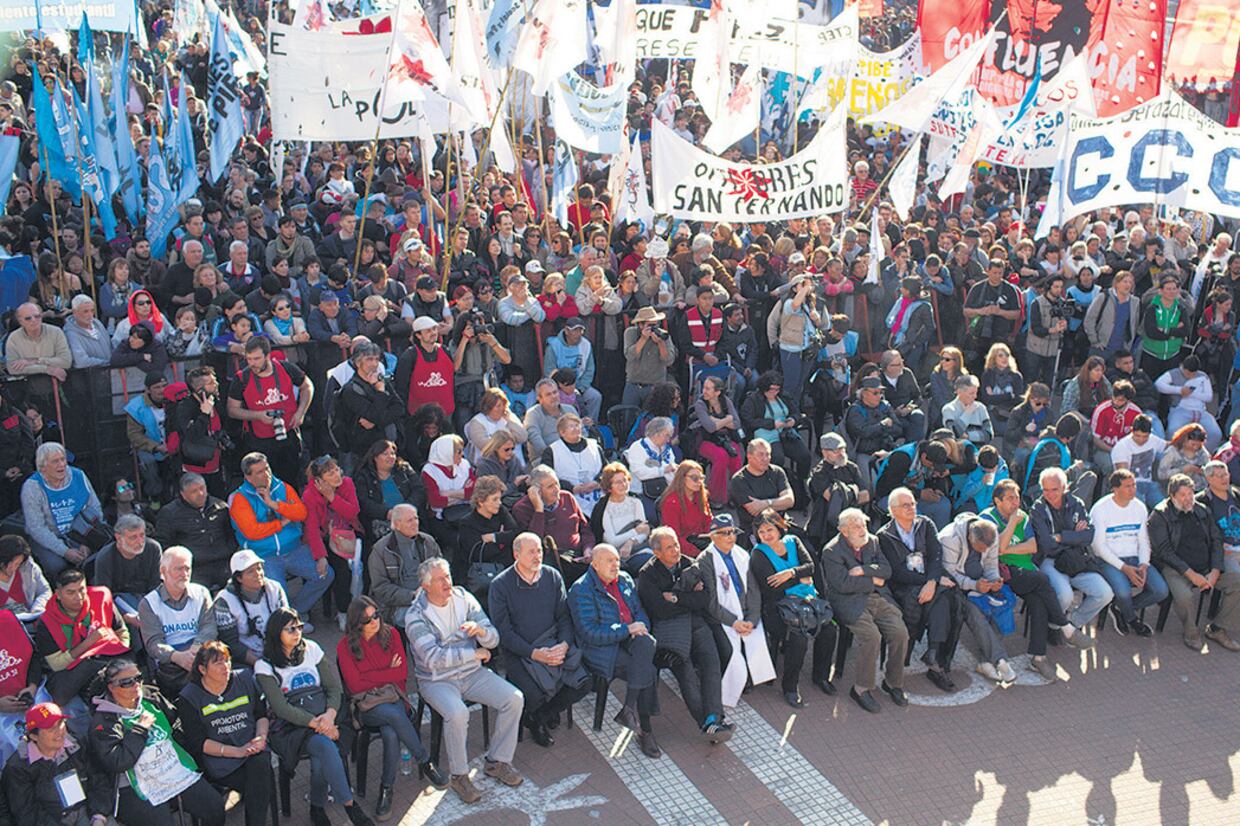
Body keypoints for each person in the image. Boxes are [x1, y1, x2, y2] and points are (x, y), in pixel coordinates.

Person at [405, 558, 525, 803]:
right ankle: (459, 776)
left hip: (472, 674)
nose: (447, 582)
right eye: (440, 579)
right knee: (458, 713)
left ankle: (497, 762)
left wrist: (481, 632)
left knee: (514, 699)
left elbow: (493, 639)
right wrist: (473, 653)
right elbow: (433, 659)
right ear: (425, 585)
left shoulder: (464, 598)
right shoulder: (415, 616)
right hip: (436, 681)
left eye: (448, 576)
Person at [255, 609, 373, 826]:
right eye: (290, 629)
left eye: (299, 627)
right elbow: (280, 708)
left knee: (321, 752)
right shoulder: (265, 665)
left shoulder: (311, 649)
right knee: (324, 744)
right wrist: (318, 724)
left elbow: (333, 688)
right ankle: (350, 807)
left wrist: (329, 716)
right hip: (292, 727)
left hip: (325, 716)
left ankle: (317, 807)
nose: (297, 632)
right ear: (275, 632)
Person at [337, 596, 446, 819]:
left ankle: (386, 789)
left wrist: (370, 675)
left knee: (390, 732)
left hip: (394, 695)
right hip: (366, 704)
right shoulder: (344, 646)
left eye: (376, 614)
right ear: (356, 623)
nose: (374, 621)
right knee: (394, 718)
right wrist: (386, 674)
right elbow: (354, 685)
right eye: (367, 620)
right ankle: (425, 760)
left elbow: (401, 674)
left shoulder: (393, 634)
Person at [89, 658, 226, 826]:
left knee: (214, 806)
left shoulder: (150, 696)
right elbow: (118, 761)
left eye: (138, 678)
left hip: (172, 768)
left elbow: (176, 722)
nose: (136, 685)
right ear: (111, 687)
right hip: (133, 785)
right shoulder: (103, 721)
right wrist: (140, 729)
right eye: (127, 682)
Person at [487, 533, 591, 748]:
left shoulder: (552, 576)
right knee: (533, 695)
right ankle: (539, 717)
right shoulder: (500, 585)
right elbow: (503, 632)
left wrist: (563, 645)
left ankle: (539, 717)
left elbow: (563, 616)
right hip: (521, 651)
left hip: (553, 643)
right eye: (531, 552)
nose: (537, 556)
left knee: (583, 683)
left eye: (540, 551)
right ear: (516, 554)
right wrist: (535, 653)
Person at [636, 527, 733, 741]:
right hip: (670, 630)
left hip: (695, 623)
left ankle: (714, 717)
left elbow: (705, 599)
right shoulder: (647, 575)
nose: (675, 550)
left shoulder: (689, 563)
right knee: (686, 673)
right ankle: (707, 722)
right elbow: (659, 610)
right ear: (656, 553)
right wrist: (689, 598)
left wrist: (677, 598)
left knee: (711, 662)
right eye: (669, 547)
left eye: (676, 545)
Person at [569, 545, 662, 758]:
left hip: (630, 639)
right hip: (602, 648)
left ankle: (629, 709)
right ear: (594, 563)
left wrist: (640, 628)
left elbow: (640, 612)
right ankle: (645, 730)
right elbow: (589, 633)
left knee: (645, 646)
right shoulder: (581, 589)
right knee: (645, 668)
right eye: (609, 561)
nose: (615, 565)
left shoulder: (625, 579)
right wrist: (626, 629)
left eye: (617, 561)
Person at [174, 642, 274, 826]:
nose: (226, 667)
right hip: (220, 758)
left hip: (253, 748)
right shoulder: (189, 697)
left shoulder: (244, 678)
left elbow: (260, 714)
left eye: (227, 661)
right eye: (218, 663)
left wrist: (261, 737)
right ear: (202, 669)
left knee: (260, 765)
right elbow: (199, 743)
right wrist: (238, 751)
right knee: (259, 782)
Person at [229, 452, 333, 624]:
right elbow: (252, 532)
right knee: (278, 595)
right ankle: (287, 621)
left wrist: (273, 504)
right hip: (265, 556)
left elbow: (301, 513)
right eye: (260, 472)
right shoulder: (239, 498)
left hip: (294, 549)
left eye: (267, 468)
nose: (267, 474)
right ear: (248, 476)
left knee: (326, 575)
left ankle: (296, 612)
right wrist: (282, 523)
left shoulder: (282, 487)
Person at [821, 509, 909, 713]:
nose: (863, 530)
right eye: (856, 527)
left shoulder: (873, 541)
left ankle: (893, 683)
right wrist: (873, 580)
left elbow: (886, 571)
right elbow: (841, 584)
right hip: (848, 602)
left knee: (900, 632)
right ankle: (861, 689)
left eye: (864, 525)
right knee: (872, 636)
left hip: (877, 598)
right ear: (844, 531)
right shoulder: (831, 551)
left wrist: (862, 571)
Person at [876, 488, 963, 692]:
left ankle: (935, 654)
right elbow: (897, 572)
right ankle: (934, 657)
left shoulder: (925, 524)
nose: (911, 508)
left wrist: (932, 582)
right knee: (937, 596)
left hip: (929, 579)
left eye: (913, 504)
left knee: (950, 597)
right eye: (905, 505)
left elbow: (935, 555)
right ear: (892, 510)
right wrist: (931, 581)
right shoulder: (885, 535)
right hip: (904, 586)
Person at [749, 510, 836, 706]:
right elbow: (772, 588)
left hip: (808, 601)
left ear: (779, 528)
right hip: (779, 608)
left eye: (770, 529)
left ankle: (821, 676)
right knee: (798, 637)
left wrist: (790, 573)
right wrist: (800, 578)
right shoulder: (758, 554)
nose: (766, 535)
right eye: (761, 532)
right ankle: (790, 687)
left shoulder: (793, 541)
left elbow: (811, 567)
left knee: (829, 629)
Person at [1149, 475, 1240, 652]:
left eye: (1190, 494)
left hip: (1205, 565)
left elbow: (1216, 540)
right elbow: (1165, 552)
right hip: (1176, 569)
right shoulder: (1159, 515)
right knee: (1184, 597)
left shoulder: (1202, 510)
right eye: (1183, 495)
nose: (1188, 499)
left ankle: (1218, 628)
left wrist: (1215, 570)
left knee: (1237, 582)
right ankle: (1191, 632)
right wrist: (1191, 575)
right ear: (1172, 496)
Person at [696, 514, 777, 708]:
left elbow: (754, 589)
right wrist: (734, 621)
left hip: (746, 611)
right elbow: (711, 602)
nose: (730, 537)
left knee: (757, 637)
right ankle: (738, 681)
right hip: (721, 616)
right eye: (724, 533)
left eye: (732, 532)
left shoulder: (741, 554)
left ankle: (752, 675)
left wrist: (753, 617)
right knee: (733, 654)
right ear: (713, 536)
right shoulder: (705, 560)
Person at [1029, 469, 1115, 633]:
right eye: (1045, 489)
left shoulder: (1076, 503)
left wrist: (1061, 537)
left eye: (1054, 489)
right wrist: (1075, 535)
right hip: (1050, 560)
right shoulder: (1037, 509)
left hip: (1075, 559)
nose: (1049, 494)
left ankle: (1069, 623)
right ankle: (1053, 625)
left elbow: (1089, 535)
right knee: (1065, 596)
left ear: (1064, 487)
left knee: (1105, 593)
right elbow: (1047, 545)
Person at [1090, 469, 1169, 637]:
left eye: (1133, 485)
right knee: (1123, 592)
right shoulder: (1100, 509)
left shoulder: (1139, 507)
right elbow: (1098, 547)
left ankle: (1120, 608)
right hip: (1109, 560)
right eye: (1127, 486)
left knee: (1161, 591)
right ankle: (1132, 619)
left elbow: (1143, 540)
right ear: (1115, 489)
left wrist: (1144, 564)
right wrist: (1124, 568)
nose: (1133, 489)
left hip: (1134, 557)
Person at [2, 701, 109, 825]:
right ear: (34, 736)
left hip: (88, 813)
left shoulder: (78, 745)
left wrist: (99, 816)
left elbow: (99, 780)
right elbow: (26, 812)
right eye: (50, 728)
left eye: (60, 723)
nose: (59, 731)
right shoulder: (18, 768)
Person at [35, 568, 130, 706]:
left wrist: (121, 648)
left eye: (81, 590)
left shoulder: (100, 598)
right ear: (58, 594)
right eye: (70, 592)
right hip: (72, 670)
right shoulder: (47, 623)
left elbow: (121, 631)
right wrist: (89, 643)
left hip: (107, 658)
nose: (78, 597)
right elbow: (57, 664)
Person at [226, 337, 314, 486]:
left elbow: (307, 386)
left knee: (291, 481)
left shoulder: (286, 368)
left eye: (256, 359)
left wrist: (301, 412)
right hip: (259, 440)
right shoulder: (242, 378)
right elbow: (232, 410)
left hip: (289, 435)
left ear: (267, 356)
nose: (252, 363)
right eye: (248, 359)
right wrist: (258, 415)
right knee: (263, 484)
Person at [138, 546, 218, 698]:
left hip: (200, 651)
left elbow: (209, 627)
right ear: (163, 572)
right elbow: (153, 643)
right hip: (171, 662)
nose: (184, 574)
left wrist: (195, 649)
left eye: (187, 568)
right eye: (178, 569)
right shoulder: (148, 603)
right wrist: (178, 657)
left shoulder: (201, 593)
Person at [21, 443, 105, 576]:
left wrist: (88, 542)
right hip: (50, 537)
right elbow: (36, 528)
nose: (62, 465)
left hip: (82, 533)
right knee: (58, 566)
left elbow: (95, 509)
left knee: (100, 557)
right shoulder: (32, 487)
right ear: (42, 467)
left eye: (63, 459)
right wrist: (64, 551)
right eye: (55, 461)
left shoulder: (79, 476)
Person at [302, 455, 362, 630]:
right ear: (318, 480)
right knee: (328, 568)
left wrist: (332, 497)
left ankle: (344, 611)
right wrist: (321, 556)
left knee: (345, 569)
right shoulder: (309, 495)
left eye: (336, 470)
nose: (336, 475)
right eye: (330, 473)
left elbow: (353, 512)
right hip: (322, 538)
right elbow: (311, 529)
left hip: (347, 534)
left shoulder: (347, 483)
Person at [154, 473, 236, 591]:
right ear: (183, 495)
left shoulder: (220, 507)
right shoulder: (169, 513)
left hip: (223, 563)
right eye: (194, 491)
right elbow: (164, 543)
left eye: (202, 488)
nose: (201, 494)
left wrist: (228, 550)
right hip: (194, 568)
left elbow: (231, 534)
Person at [511, 465, 594, 579]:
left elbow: (584, 529)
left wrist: (588, 550)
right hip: (553, 565)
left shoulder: (567, 497)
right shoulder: (522, 509)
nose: (557, 489)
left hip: (580, 558)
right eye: (550, 486)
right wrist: (539, 510)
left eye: (557, 483)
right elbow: (534, 541)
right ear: (537, 491)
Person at [739, 372, 812, 499]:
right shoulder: (753, 399)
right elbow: (747, 420)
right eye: (771, 389)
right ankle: (774, 488)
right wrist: (771, 424)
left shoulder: (784, 396)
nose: (774, 392)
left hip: (785, 433)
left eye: (777, 389)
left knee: (804, 456)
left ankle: (800, 484)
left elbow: (796, 412)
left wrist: (793, 420)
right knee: (777, 458)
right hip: (766, 433)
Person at [214, 550, 290, 667]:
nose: (258, 574)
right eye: (250, 572)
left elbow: (288, 625)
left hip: (279, 648)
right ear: (239, 578)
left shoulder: (274, 588)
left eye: (259, 568)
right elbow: (231, 644)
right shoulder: (224, 601)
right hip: (247, 658)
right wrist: (260, 664)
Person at [334, 340, 406, 465]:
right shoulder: (350, 390)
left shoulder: (382, 381)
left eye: (376, 359)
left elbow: (399, 408)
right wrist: (380, 393)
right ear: (357, 362)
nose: (374, 364)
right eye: (369, 359)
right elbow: (375, 414)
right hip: (364, 452)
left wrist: (376, 422)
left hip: (389, 445)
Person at [354, 440, 427, 545]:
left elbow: (419, 490)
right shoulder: (364, 476)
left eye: (392, 453)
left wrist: (406, 510)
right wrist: (387, 513)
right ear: (375, 457)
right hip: (382, 521)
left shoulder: (404, 468)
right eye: (385, 454)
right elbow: (364, 502)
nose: (391, 457)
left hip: (409, 516)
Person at [171, 367, 228, 498]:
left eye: (215, 381)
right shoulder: (185, 407)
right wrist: (204, 414)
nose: (216, 385)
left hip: (216, 465)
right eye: (210, 383)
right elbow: (192, 435)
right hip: (195, 468)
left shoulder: (216, 402)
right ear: (199, 389)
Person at [806, 432, 871, 548]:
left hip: (855, 520)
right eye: (836, 451)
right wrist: (854, 491)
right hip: (827, 524)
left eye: (843, 449)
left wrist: (843, 493)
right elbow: (833, 499)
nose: (841, 453)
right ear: (825, 452)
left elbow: (865, 495)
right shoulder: (819, 473)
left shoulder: (852, 467)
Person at [457, 476, 520, 591]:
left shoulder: (501, 511)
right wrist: (503, 542)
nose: (499, 503)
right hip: (483, 577)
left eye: (499, 499)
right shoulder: (467, 523)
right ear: (481, 501)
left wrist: (494, 537)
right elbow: (479, 553)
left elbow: (515, 533)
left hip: (505, 567)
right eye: (494, 499)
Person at [588, 463, 651, 576]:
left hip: (636, 549)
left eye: (625, 480)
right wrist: (635, 531)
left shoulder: (636, 502)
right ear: (609, 487)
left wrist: (631, 541)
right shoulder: (603, 508)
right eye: (618, 482)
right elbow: (611, 541)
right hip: (614, 556)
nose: (623, 484)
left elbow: (645, 532)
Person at [727, 438, 795, 539]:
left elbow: (790, 501)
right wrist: (780, 503)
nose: (765, 458)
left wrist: (766, 503)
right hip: (755, 530)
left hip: (782, 524)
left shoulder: (777, 472)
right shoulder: (739, 480)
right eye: (760, 455)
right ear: (749, 456)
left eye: (768, 454)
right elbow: (755, 511)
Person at [541, 413, 605, 517]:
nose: (576, 429)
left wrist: (598, 482)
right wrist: (572, 488)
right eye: (571, 426)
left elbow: (606, 470)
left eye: (577, 425)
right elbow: (545, 478)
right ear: (562, 432)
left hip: (597, 494)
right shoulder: (552, 451)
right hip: (568, 499)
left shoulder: (595, 446)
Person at [1155, 355, 1222, 451]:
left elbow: (1209, 397)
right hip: (1179, 410)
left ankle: (1204, 454)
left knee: (1216, 433)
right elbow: (1158, 384)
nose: (1190, 376)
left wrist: (1192, 393)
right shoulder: (1174, 373)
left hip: (1200, 411)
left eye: (1193, 374)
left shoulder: (1203, 376)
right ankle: (1173, 455)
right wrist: (1179, 390)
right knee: (1172, 431)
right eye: (1187, 373)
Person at [622, 306, 677, 406]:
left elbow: (669, 361)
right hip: (633, 384)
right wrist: (643, 339)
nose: (654, 328)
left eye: (656, 324)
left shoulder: (663, 335)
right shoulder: (630, 333)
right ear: (640, 325)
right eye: (650, 325)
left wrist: (661, 343)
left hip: (656, 386)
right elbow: (629, 356)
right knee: (628, 416)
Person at [0, 534, 50, 619]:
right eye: (6, 563)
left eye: (16, 564)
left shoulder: (30, 568)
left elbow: (45, 590)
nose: (11, 568)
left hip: (27, 619)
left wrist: (38, 608)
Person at [1158, 423, 1212, 493]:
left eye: (1198, 445)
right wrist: (1182, 470)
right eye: (1193, 444)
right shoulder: (1172, 451)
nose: (1195, 447)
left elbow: (1210, 468)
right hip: (1178, 490)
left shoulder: (1202, 452)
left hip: (1200, 489)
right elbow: (1161, 474)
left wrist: (1202, 471)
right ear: (1184, 439)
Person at [941, 374, 994, 445]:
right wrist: (967, 413)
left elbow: (989, 435)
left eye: (976, 393)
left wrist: (968, 436)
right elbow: (954, 434)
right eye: (971, 393)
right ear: (959, 392)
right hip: (958, 451)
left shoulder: (981, 407)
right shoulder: (948, 409)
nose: (975, 396)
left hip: (979, 450)